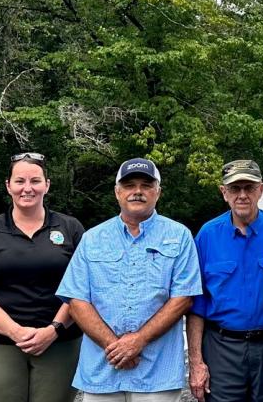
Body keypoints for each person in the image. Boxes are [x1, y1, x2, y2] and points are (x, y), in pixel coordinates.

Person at [56, 157, 201, 402]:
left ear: (158, 192)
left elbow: (183, 298)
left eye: (146, 185)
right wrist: (116, 346)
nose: (137, 192)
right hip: (102, 369)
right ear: (117, 192)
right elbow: (77, 299)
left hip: (157, 371)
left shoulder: (180, 236)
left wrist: (138, 341)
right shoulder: (93, 239)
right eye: (129, 185)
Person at [0, 152, 86, 402]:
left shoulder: (71, 228)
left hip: (59, 343)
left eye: (35, 181)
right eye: (19, 181)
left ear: (47, 185)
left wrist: (54, 330)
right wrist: (15, 331)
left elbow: (82, 288)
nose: (27, 188)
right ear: (8, 186)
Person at [186, 160, 263, 402]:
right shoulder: (207, 235)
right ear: (224, 193)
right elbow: (196, 305)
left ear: (261, 190)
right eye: (235, 189)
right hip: (222, 348)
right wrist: (196, 362)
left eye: (249, 187)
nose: (242, 195)